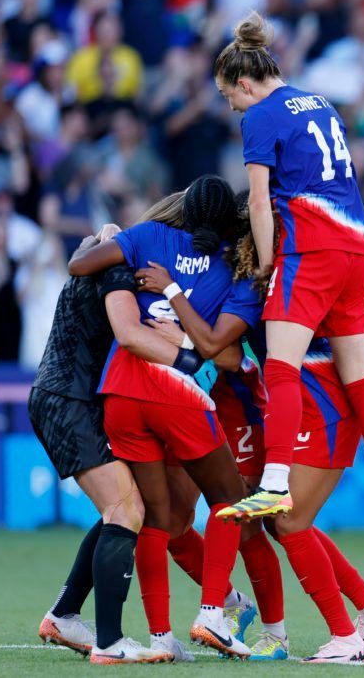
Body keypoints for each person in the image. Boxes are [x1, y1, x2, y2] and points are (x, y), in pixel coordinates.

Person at [135, 197, 364, 663]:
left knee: (281, 519)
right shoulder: (267, 278)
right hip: (284, 411)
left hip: (315, 410)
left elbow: (228, 354)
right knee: (266, 519)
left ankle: (331, 633)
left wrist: (174, 319)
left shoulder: (304, 275)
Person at [211, 12, 364, 551]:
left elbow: (259, 200)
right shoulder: (319, 102)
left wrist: (265, 262)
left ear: (244, 83)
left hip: (312, 247)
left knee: (281, 364)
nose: (231, 107)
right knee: (360, 376)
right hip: (357, 246)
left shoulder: (258, 117)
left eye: (229, 96)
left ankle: (275, 483)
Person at [67, 176, 260, 659]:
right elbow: (226, 349)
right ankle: (214, 613)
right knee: (229, 499)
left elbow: (78, 266)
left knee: (154, 519)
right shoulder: (236, 270)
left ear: (183, 208)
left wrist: (104, 238)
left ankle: (159, 639)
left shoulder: (147, 237)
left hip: (119, 390)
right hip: (177, 392)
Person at [32, 222, 207, 664]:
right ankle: (108, 644)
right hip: (68, 400)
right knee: (126, 510)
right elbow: (131, 333)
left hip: (72, 400)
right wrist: (193, 357)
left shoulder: (103, 256)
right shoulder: (116, 270)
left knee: (129, 506)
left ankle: (65, 614)